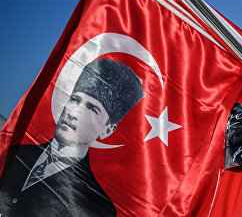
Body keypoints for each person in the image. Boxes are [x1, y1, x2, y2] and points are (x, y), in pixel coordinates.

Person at [0, 58, 145, 216]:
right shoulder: (13, 150)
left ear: (108, 130)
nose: (74, 112)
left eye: (91, 109)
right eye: (75, 100)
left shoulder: (96, 207)